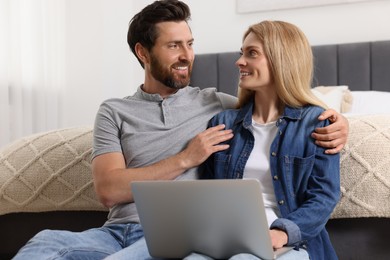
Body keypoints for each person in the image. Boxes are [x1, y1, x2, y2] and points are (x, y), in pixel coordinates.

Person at [13, 1, 346, 259]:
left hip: (176, 234)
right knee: (45, 244)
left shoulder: (217, 106)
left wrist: (341, 122)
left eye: (190, 44)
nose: (187, 55)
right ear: (143, 52)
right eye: (174, 46)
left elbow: (282, 108)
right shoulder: (114, 111)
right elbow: (109, 190)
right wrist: (186, 159)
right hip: (114, 231)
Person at [196, 20, 340, 260]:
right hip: (229, 238)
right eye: (241, 53)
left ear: (281, 59)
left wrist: (281, 233)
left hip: (291, 242)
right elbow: (207, 190)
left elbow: (324, 196)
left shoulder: (318, 123)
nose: (239, 62)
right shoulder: (223, 122)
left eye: (252, 53)